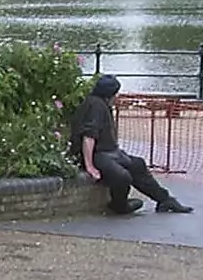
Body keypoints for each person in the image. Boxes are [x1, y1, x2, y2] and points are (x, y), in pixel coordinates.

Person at [72, 74, 194, 214]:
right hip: (98, 154)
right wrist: (90, 166)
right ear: (110, 94)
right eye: (115, 94)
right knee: (122, 177)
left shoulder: (100, 103)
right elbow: (89, 137)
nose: (117, 97)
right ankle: (119, 205)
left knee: (138, 164)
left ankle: (165, 199)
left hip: (110, 151)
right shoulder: (95, 107)